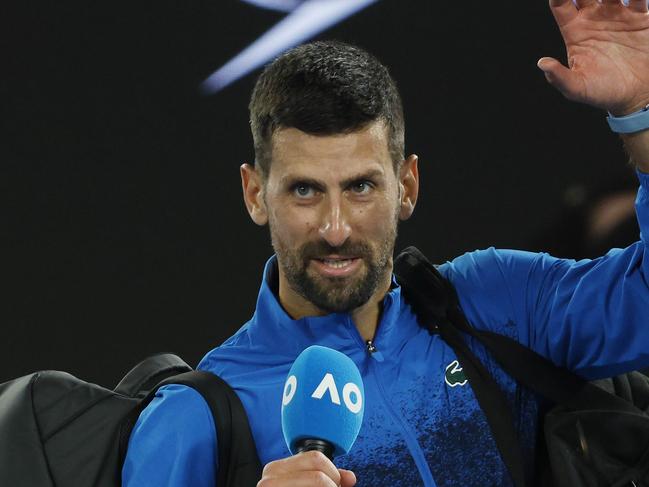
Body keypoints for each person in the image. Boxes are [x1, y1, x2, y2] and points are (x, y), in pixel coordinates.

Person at [122, 0, 649, 485]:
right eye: (305, 190)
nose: (335, 229)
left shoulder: (496, 305)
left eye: (360, 187)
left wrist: (641, 112)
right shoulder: (195, 418)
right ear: (256, 194)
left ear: (407, 187)